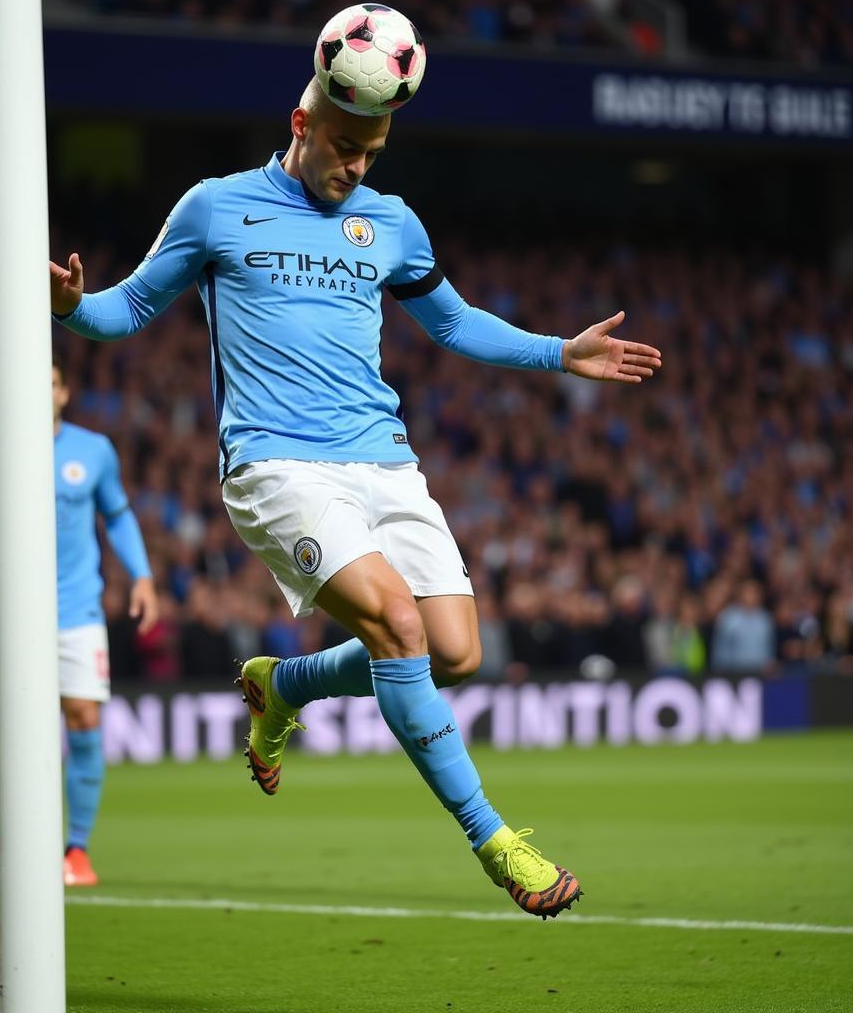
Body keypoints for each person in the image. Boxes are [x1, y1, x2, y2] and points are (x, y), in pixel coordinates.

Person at [50, 78, 661, 918]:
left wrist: (560, 352)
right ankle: (495, 840)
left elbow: (452, 322)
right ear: (301, 123)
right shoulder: (216, 208)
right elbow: (125, 311)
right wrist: (74, 306)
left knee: (454, 652)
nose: (357, 166)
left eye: (372, 153)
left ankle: (287, 684)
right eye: (345, 147)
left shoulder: (393, 222)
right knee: (396, 626)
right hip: (276, 467)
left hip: (384, 463)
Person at [0, 364, 158, 886]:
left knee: (83, 721)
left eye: (52, 382)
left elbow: (117, 517)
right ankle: (1, 825)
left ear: (65, 392)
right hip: (8, 613)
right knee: (5, 730)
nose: (44, 390)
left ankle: (75, 850)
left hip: (79, 611)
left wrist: (142, 576)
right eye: (35, 381)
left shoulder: (94, 451)